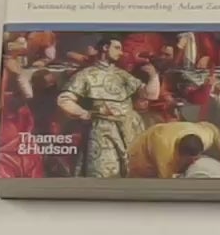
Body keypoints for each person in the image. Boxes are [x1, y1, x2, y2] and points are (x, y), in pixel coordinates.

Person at [56, 38, 161, 177]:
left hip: (130, 129)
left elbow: (150, 95)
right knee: (106, 173)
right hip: (103, 131)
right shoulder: (86, 75)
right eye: (117, 48)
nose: (121, 53)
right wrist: (85, 113)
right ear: (105, 48)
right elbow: (64, 99)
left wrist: (153, 76)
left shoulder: (122, 75)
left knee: (133, 172)